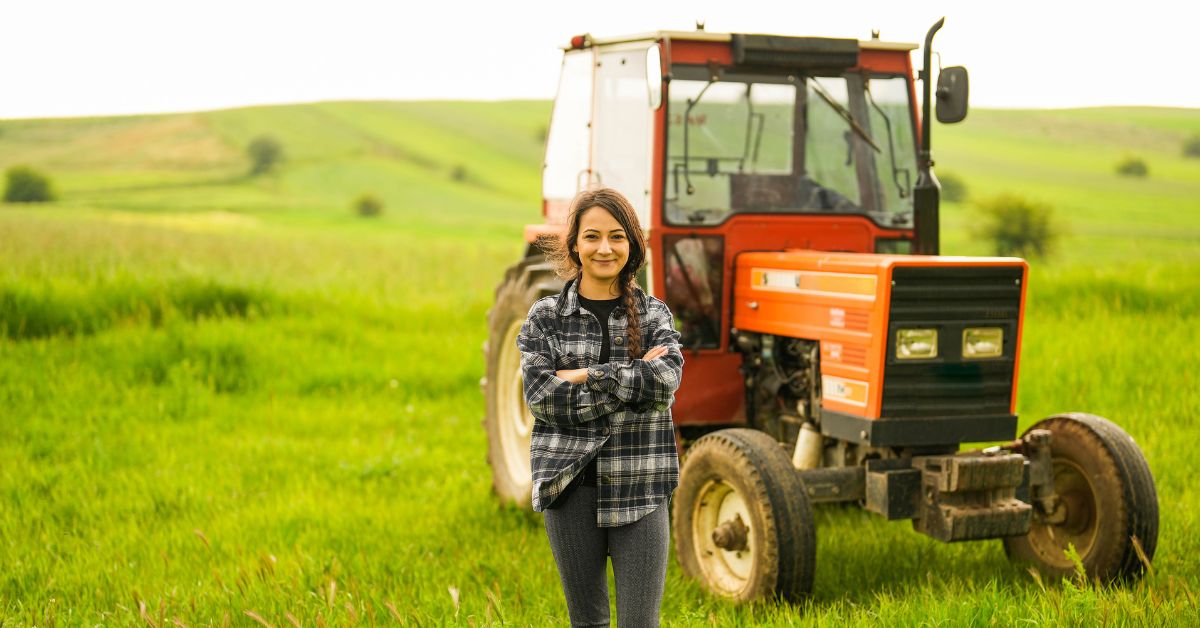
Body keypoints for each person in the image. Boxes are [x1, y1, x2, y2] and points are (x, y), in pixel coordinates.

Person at [517, 187, 684, 627]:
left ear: (632, 244)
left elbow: (665, 383)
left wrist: (588, 374)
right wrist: (630, 378)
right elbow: (544, 398)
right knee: (587, 623)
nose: (604, 248)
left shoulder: (654, 316)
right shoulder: (544, 318)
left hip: (642, 486)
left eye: (616, 236)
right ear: (574, 243)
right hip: (569, 487)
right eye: (592, 236)